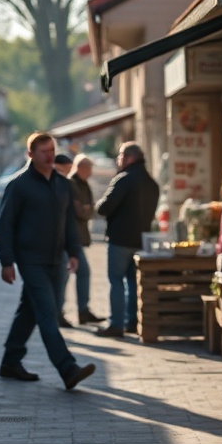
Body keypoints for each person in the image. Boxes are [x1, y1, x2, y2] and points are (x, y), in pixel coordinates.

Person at [0, 132, 95, 390]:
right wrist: (6, 261)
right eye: (44, 151)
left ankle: (10, 361)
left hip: (56, 259)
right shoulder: (18, 185)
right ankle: (67, 368)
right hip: (30, 260)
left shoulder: (62, 184)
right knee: (48, 313)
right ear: (30, 154)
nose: (50, 155)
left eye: (52, 150)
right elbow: (5, 225)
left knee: (29, 310)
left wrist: (73, 252)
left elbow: (69, 223)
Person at [95, 142, 159, 338]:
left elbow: (103, 208)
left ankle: (116, 324)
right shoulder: (151, 183)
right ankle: (132, 321)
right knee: (133, 282)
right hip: (141, 240)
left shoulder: (123, 179)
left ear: (130, 158)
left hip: (120, 240)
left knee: (116, 281)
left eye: (121, 156)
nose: (118, 159)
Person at [70, 154, 104, 324]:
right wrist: (86, 209)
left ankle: (83, 311)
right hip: (73, 237)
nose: (90, 173)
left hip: (80, 236)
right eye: (88, 169)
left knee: (80, 273)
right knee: (80, 273)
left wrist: (87, 209)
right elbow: (81, 212)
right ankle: (80, 311)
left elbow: (91, 210)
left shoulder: (84, 185)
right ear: (80, 168)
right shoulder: (72, 184)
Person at [52, 152, 75, 327]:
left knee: (61, 280)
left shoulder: (65, 185)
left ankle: (56, 313)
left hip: (62, 244)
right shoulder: (55, 184)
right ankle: (54, 314)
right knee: (58, 282)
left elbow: (70, 220)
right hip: (53, 245)